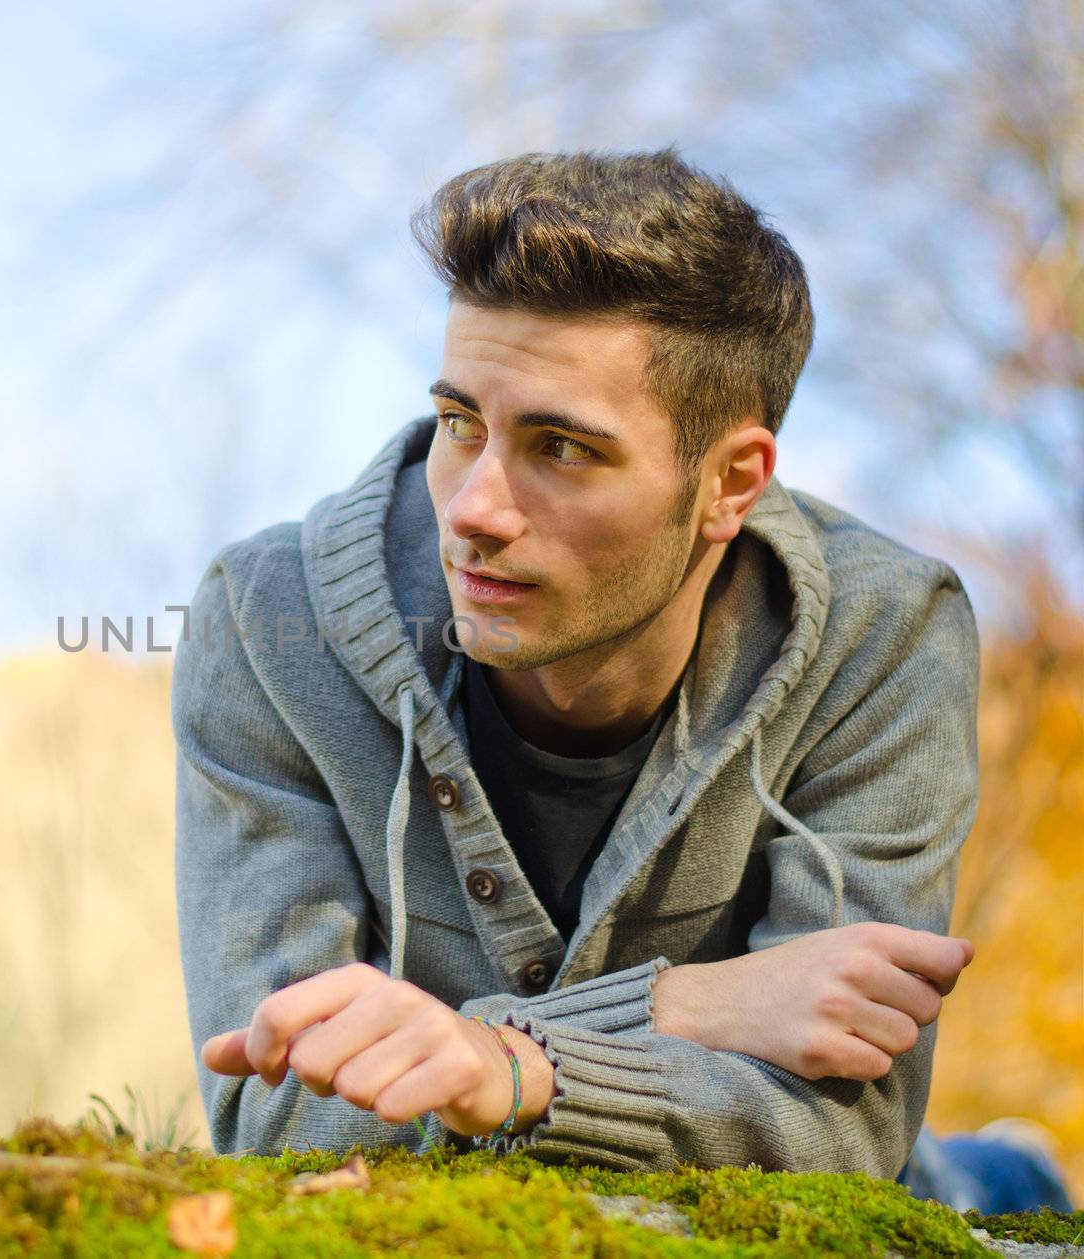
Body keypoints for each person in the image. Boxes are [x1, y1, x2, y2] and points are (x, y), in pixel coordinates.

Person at [169, 147, 1073, 1213]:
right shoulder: (269, 624)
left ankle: (1009, 1169)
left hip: (924, 1198)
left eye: (562, 448)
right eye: (461, 423)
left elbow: (849, 1128)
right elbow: (272, 1117)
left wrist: (512, 1066)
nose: (473, 509)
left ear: (728, 483)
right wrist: (682, 1005)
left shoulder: (885, 634)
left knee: (960, 1190)